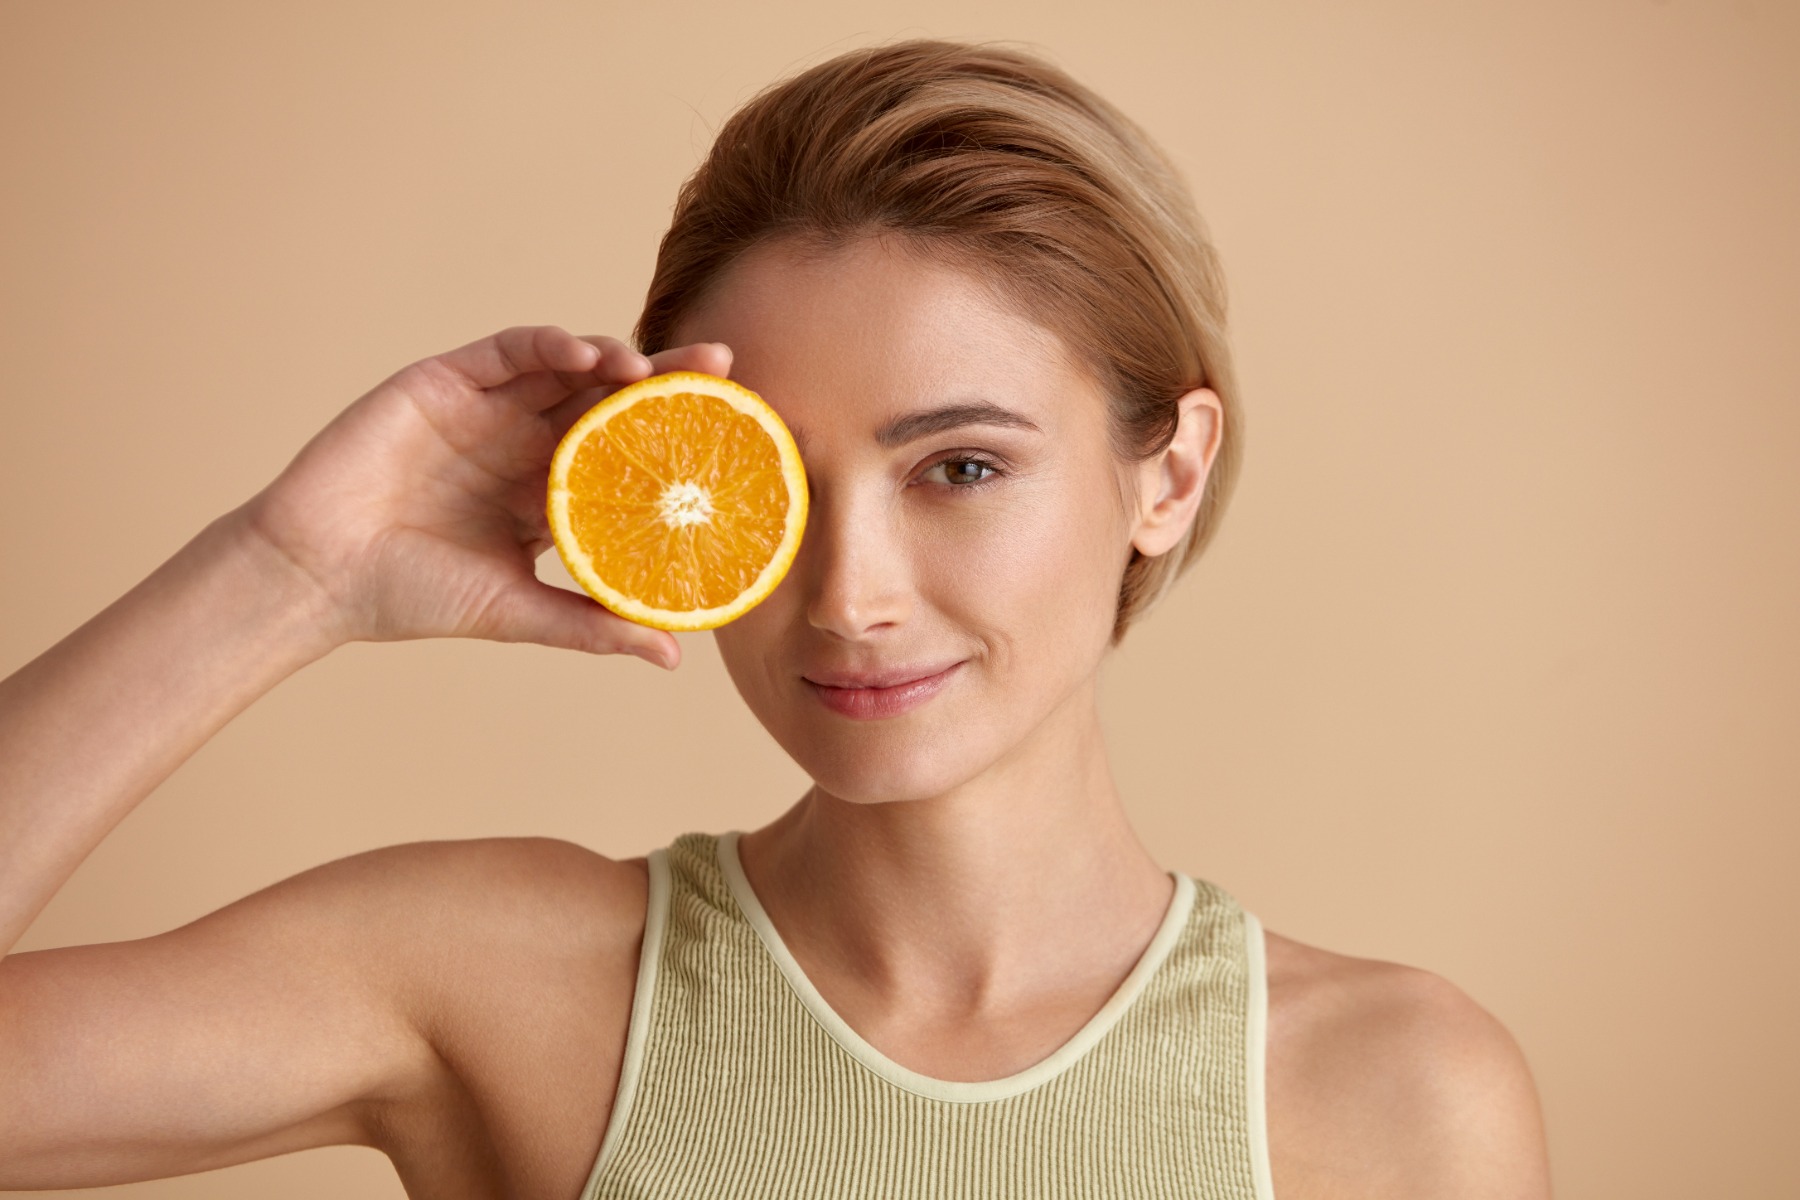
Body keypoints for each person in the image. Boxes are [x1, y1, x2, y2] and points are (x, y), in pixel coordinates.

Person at [0, 39, 1551, 1200]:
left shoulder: (1396, 1100)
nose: (851, 594)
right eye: (776, 485)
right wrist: (286, 575)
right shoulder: (493, 979)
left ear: (1170, 474)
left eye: (959, 466)